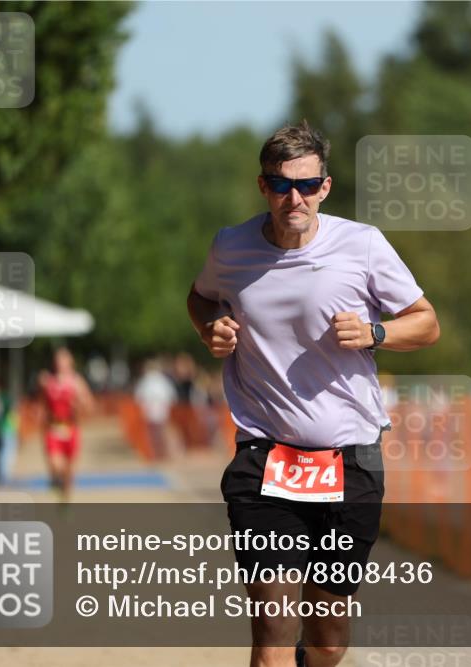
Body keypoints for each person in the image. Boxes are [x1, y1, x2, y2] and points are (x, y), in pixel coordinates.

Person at [187, 121, 440, 667]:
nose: (293, 198)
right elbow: (201, 296)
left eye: (306, 185)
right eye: (280, 185)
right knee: (273, 630)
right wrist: (211, 327)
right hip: (266, 456)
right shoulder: (231, 247)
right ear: (263, 187)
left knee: (327, 641)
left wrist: (376, 334)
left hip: (350, 460)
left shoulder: (363, 245)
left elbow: (426, 323)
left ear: (325, 187)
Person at [39, 347, 94, 502]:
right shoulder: (47, 381)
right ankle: (57, 479)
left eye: (64, 360)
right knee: (56, 465)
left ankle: (65, 500)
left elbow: (89, 406)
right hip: (53, 429)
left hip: (71, 428)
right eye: (58, 360)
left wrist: (79, 404)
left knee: (70, 472)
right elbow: (43, 404)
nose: (60, 363)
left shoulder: (77, 382)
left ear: (71, 362)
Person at [134, 358, 178, 460]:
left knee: (156, 434)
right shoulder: (158, 380)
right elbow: (171, 395)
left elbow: (139, 397)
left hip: (154, 412)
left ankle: (160, 453)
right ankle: (161, 453)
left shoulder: (148, 380)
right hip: (158, 411)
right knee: (160, 433)